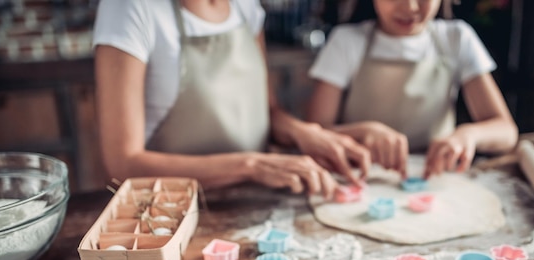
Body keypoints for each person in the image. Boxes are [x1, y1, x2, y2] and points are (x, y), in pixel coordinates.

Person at [92, 0, 370, 199]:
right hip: (170, 211)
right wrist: (252, 166)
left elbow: (267, 110)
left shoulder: (245, 6)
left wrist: (303, 133)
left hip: (252, 201)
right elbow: (122, 166)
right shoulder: (129, 8)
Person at [306, 0, 518, 179]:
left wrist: (468, 135)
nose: (410, 7)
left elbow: (506, 131)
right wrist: (362, 133)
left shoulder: (457, 38)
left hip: (435, 180)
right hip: (362, 178)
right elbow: (313, 134)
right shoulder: (346, 42)